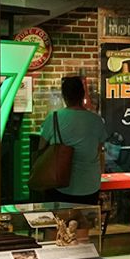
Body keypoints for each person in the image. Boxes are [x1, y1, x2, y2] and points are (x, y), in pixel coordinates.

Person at [35, 74, 106, 205]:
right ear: (82, 94)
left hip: (60, 183)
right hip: (90, 185)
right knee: (87, 217)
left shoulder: (54, 118)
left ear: (64, 96)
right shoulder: (97, 120)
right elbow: (99, 150)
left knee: (61, 216)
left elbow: (41, 147)